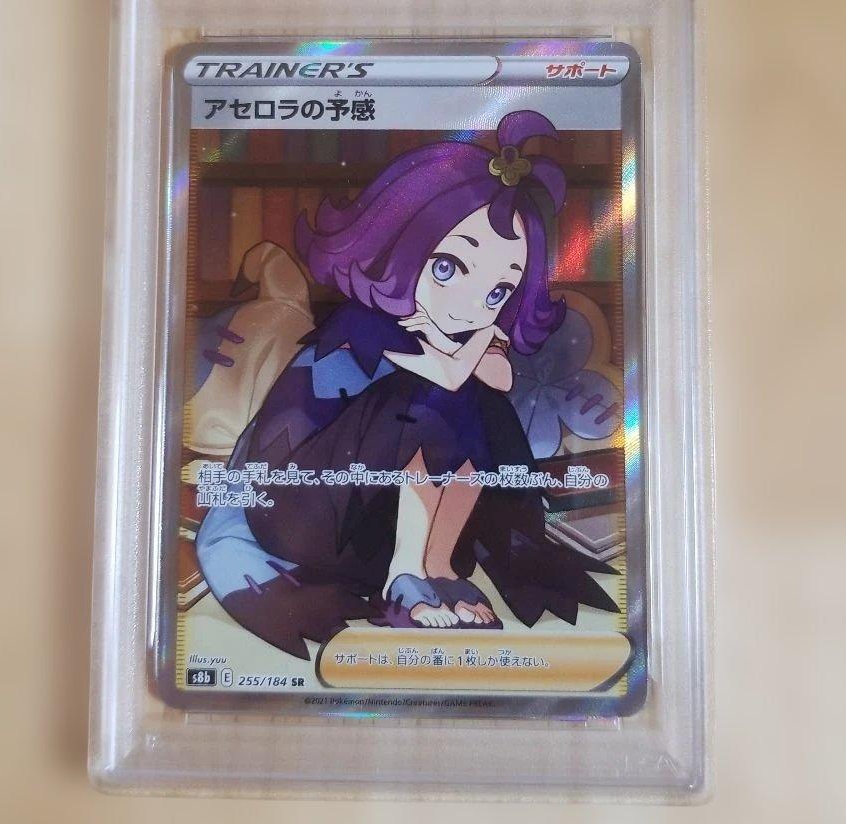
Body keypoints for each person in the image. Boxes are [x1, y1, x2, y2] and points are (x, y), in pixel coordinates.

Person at [195, 110, 618, 659]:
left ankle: (436, 567)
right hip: (297, 510)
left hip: (371, 520)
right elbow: (444, 377)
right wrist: (478, 340)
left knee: (477, 406)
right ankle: (405, 575)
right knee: (427, 398)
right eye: (448, 268)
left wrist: (477, 342)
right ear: (397, 244)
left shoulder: (453, 333)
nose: (469, 305)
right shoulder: (365, 326)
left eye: (497, 293)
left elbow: (500, 378)